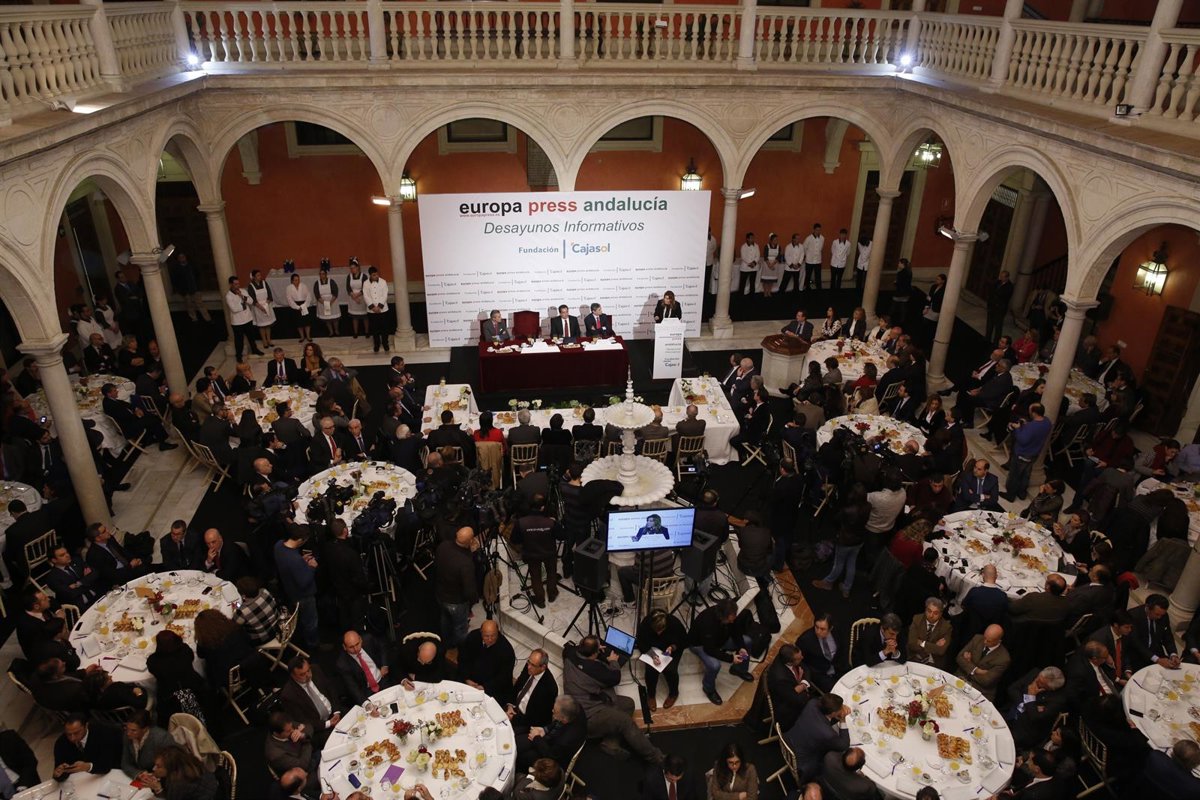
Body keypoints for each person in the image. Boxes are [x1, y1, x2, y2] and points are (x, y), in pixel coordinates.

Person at [688, 599, 753, 705]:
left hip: (719, 639)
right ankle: (708, 688)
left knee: (747, 641)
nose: (733, 621)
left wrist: (741, 647)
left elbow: (736, 632)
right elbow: (709, 649)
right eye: (730, 620)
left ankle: (739, 669)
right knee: (714, 665)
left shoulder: (730, 615)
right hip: (700, 644)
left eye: (734, 618)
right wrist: (731, 658)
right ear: (722, 617)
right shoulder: (707, 623)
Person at [812, 484, 869, 598]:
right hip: (859, 540)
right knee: (852, 562)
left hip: (845, 540)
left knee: (839, 563)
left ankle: (828, 582)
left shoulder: (847, 511)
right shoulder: (868, 506)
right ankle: (846, 588)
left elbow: (836, 521)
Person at [279, 656, 344, 748]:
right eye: (302, 674)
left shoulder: (315, 669)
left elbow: (331, 690)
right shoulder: (289, 695)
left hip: (335, 713)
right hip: (320, 728)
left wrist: (337, 712)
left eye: (308, 670)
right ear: (293, 676)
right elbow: (303, 721)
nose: (308, 675)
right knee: (340, 742)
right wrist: (329, 723)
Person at [515, 695, 588, 772]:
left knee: (521, 754)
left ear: (564, 718)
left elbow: (551, 755)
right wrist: (545, 730)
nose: (552, 710)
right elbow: (557, 722)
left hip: (554, 758)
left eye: (555, 711)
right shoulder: (575, 707)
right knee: (518, 739)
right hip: (553, 739)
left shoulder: (566, 740)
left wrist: (536, 738)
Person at [785, 694, 849, 779]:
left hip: (789, 738)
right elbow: (844, 745)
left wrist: (836, 711)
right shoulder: (828, 734)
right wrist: (842, 719)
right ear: (833, 713)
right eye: (840, 708)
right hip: (800, 759)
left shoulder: (812, 704)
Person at [1004, 666, 1069, 751]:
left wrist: (1030, 697)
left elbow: (1035, 717)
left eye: (1040, 682)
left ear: (1051, 688)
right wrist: (1027, 704)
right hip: (1011, 713)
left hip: (1026, 730)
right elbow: (1012, 689)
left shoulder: (1058, 700)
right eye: (1038, 677)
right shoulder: (1036, 673)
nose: (1035, 680)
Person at [274, 526, 319, 647]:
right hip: (303, 595)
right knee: (310, 622)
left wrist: (302, 562)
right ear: (300, 540)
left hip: (290, 591)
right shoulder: (294, 559)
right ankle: (313, 644)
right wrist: (312, 567)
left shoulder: (279, 546)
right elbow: (304, 582)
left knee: (302, 620)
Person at [435, 527, 479, 648]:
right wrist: (472, 602)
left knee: (445, 620)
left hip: (440, 594)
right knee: (460, 628)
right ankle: (459, 647)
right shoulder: (465, 563)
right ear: (471, 541)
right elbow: (469, 590)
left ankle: (446, 642)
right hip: (456, 602)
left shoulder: (443, 546)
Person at [636, 609, 687, 712]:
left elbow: (683, 640)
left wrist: (672, 647)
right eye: (656, 631)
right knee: (651, 670)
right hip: (653, 649)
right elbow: (641, 642)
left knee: (670, 670)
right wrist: (652, 655)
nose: (659, 633)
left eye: (661, 630)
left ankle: (673, 693)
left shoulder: (675, 624)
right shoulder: (645, 624)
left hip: (671, 649)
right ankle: (651, 695)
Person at [1003, 403, 1053, 502]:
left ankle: (1010, 495)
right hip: (1034, 453)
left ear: (1034, 413)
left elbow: (1023, 440)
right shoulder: (1047, 422)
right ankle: (1022, 493)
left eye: (1030, 410)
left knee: (1015, 475)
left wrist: (1018, 429)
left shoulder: (1032, 427)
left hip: (1022, 453)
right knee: (1026, 474)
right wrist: (1026, 425)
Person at [458, 620, 517, 703]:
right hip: (470, 679)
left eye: (493, 635)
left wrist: (484, 687)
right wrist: (466, 678)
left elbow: (504, 677)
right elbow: (463, 658)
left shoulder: (506, 650)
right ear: (481, 633)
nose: (490, 639)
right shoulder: (473, 636)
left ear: (498, 632)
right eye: (486, 636)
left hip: (491, 687)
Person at [53, 713, 122, 781]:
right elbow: (59, 773)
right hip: (82, 780)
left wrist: (88, 767)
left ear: (86, 726)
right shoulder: (61, 743)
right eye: (68, 734)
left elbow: (107, 765)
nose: (72, 738)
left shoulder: (105, 734)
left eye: (76, 733)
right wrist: (59, 774)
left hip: (111, 774)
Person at [137, 745, 220, 800]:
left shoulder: (179, 783)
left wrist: (158, 789)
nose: (154, 769)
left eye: (158, 766)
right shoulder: (186, 764)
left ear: (170, 768)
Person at [955, 624, 1011, 700]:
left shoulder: (1003, 658)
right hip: (960, 678)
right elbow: (959, 657)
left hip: (980, 690)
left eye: (989, 641)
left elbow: (986, 681)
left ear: (999, 641)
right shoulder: (977, 638)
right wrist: (976, 670)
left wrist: (969, 664)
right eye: (984, 637)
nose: (984, 641)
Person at [336, 630, 392, 706]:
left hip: (383, 680)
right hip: (366, 691)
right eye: (351, 647)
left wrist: (384, 665)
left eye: (357, 644)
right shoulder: (342, 664)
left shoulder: (369, 639)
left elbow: (383, 648)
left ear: (361, 640)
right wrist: (366, 703)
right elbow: (352, 687)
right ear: (344, 647)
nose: (356, 649)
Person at [508, 649, 558, 731]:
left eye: (533, 665)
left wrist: (514, 718)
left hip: (526, 722)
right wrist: (510, 705)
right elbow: (518, 686)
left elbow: (538, 718)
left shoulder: (550, 688)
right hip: (513, 708)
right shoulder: (529, 666)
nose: (528, 667)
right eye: (529, 662)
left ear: (543, 667)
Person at [767, 643, 812, 731]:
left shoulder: (787, 656)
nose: (802, 657)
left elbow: (805, 668)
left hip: (793, 693)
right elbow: (794, 699)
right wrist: (803, 688)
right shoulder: (780, 678)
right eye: (799, 658)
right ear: (789, 662)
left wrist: (803, 683)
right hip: (787, 707)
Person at [120, 709, 172, 778]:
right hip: (141, 775)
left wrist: (154, 776)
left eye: (133, 730)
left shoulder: (162, 739)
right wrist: (138, 774)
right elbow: (125, 763)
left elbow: (172, 765)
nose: (128, 733)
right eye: (127, 728)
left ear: (145, 729)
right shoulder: (127, 736)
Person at [45, 544, 101, 608]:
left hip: (96, 593)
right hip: (80, 605)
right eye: (62, 555)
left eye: (67, 552)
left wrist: (78, 583)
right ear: (54, 560)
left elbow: (95, 573)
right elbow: (69, 594)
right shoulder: (52, 578)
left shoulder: (76, 560)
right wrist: (86, 580)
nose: (67, 555)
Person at [797, 614, 840, 693]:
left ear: (831, 628)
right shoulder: (804, 640)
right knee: (837, 693)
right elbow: (801, 661)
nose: (818, 631)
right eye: (816, 627)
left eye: (822, 629)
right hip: (821, 674)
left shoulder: (837, 631)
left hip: (838, 666)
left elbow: (842, 648)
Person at [225, 276, 263, 360]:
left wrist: (242, 296)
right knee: (239, 340)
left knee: (251, 337)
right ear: (231, 284)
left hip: (248, 319)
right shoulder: (228, 296)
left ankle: (255, 350)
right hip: (237, 322)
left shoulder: (243, 291)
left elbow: (251, 301)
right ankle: (239, 355)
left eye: (238, 283)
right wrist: (244, 306)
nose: (237, 286)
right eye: (235, 284)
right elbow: (234, 309)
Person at [265, 711, 314, 775]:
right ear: (276, 734)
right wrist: (305, 740)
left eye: (292, 727)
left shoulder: (287, 725)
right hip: (304, 771)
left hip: (309, 752)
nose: (293, 731)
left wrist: (303, 735)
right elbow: (302, 765)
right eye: (288, 731)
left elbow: (309, 727)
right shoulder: (276, 755)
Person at [907, 597, 952, 668]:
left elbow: (941, 650)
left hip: (933, 661)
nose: (931, 615)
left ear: (941, 614)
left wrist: (922, 643)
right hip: (914, 656)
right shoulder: (917, 619)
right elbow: (912, 643)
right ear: (925, 609)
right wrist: (934, 646)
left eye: (935, 613)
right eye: (929, 611)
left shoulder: (946, 627)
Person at [286, 272, 314, 343]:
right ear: (292, 281)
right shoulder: (289, 288)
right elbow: (289, 299)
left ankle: (308, 336)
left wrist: (305, 305)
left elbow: (308, 296)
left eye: (298, 280)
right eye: (295, 280)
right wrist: (297, 307)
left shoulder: (303, 286)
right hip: (296, 305)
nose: (297, 281)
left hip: (304, 305)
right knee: (299, 323)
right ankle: (302, 337)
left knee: (307, 322)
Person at [802, 223, 825, 290]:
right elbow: (804, 248)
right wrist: (807, 255)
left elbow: (821, 248)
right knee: (808, 275)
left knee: (818, 276)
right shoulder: (808, 238)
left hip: (818, 260)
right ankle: (807, 287)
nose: (818, 231)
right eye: (817, 230)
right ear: (814, 230)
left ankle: (819, 288)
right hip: (809, 260)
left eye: (819, 230)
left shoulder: (822, 238)